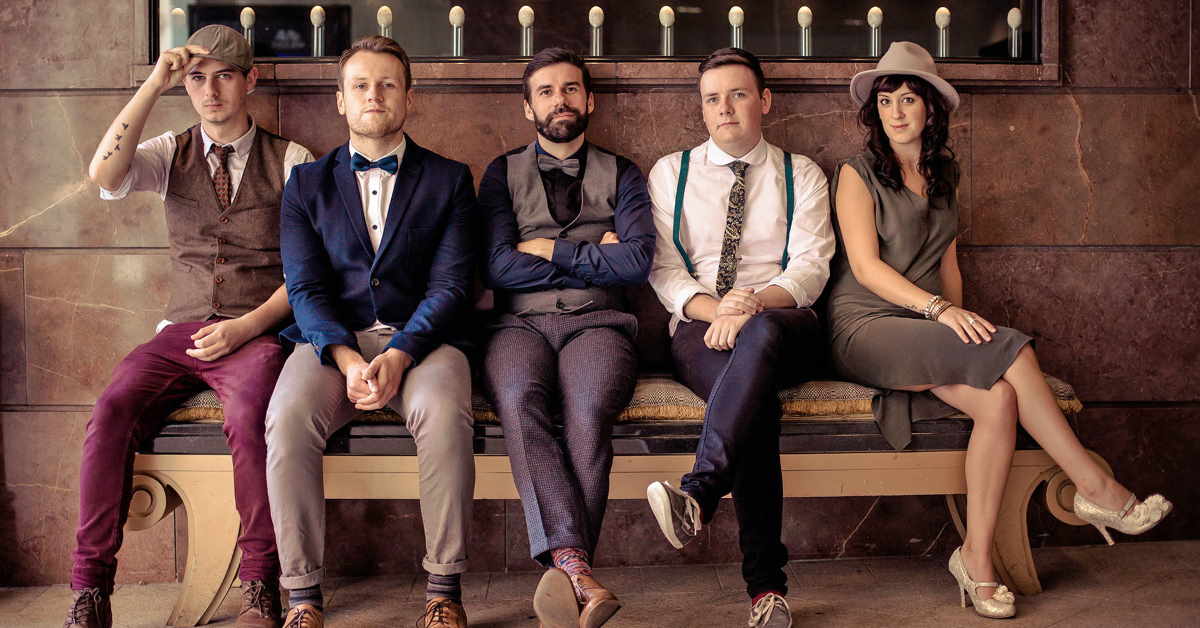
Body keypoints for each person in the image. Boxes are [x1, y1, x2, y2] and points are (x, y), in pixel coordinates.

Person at [827, 41, 1173, 619]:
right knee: (1008, 346)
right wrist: (943, 316)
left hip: (922, 330)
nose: (896, 112)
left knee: (999, 397)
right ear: (874, 112)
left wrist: (960, 342)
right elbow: (866, 269)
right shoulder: (856, 174)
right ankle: (1095, 486)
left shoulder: (944, 176)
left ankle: (976, 561)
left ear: (931, 110)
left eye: (908, 99)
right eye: (886, 100)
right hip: (862, 326)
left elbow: (949, 265)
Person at [67, 24, 313, 628]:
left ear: (250, 80)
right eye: (197, 78)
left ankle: (259, 584)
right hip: (176, 333)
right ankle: (91, 592)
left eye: (224, 75)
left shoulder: (293, 160)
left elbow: (310, 273)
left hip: (257, 329)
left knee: (251, 416)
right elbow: (103, 173)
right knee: (110, 412)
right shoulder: (168, 153)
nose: (210, 90)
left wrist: (246, 327)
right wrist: (157, 81)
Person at [264, 36, 476, 628]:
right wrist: (348, 360)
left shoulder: (451, 179)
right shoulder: (305, 184)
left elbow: (452, 287)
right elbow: (304, 288)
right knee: (285, 419)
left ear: (409, 97)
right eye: (360, 85)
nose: (373, 95)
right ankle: (302, 597)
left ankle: (443, 589)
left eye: (387, 84)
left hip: (424, 340)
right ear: (340, 100)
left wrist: (403, 353)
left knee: (443, 413)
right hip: (332, 341)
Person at [643, 48, 835, 628]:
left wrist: (750, 305)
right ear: (701, 109)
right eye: (712, 98)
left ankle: (700, 492)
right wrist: (716, 309)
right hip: (701, 329)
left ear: (764, 101)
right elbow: (664, 271)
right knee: (752, 401)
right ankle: (766, 593)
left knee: (764, 339)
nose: (724, 108)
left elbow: (812, 265)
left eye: (738, 94)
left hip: (783, 321)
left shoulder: (801, 174)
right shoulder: (669, 173)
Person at [477, 47, 655, 628]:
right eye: (547, 91)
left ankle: (569, 568)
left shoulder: (624, 173)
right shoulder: (500, 174)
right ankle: (579, 572)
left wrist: (549, 249)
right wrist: (594, 254)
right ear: (528, 107)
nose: (561, 100)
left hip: (601, 322)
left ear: (590, 99)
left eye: (571, 89)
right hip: (516, 325)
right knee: (521, 404)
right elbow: (498, 268)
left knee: (587, 410)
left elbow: (634, 265)